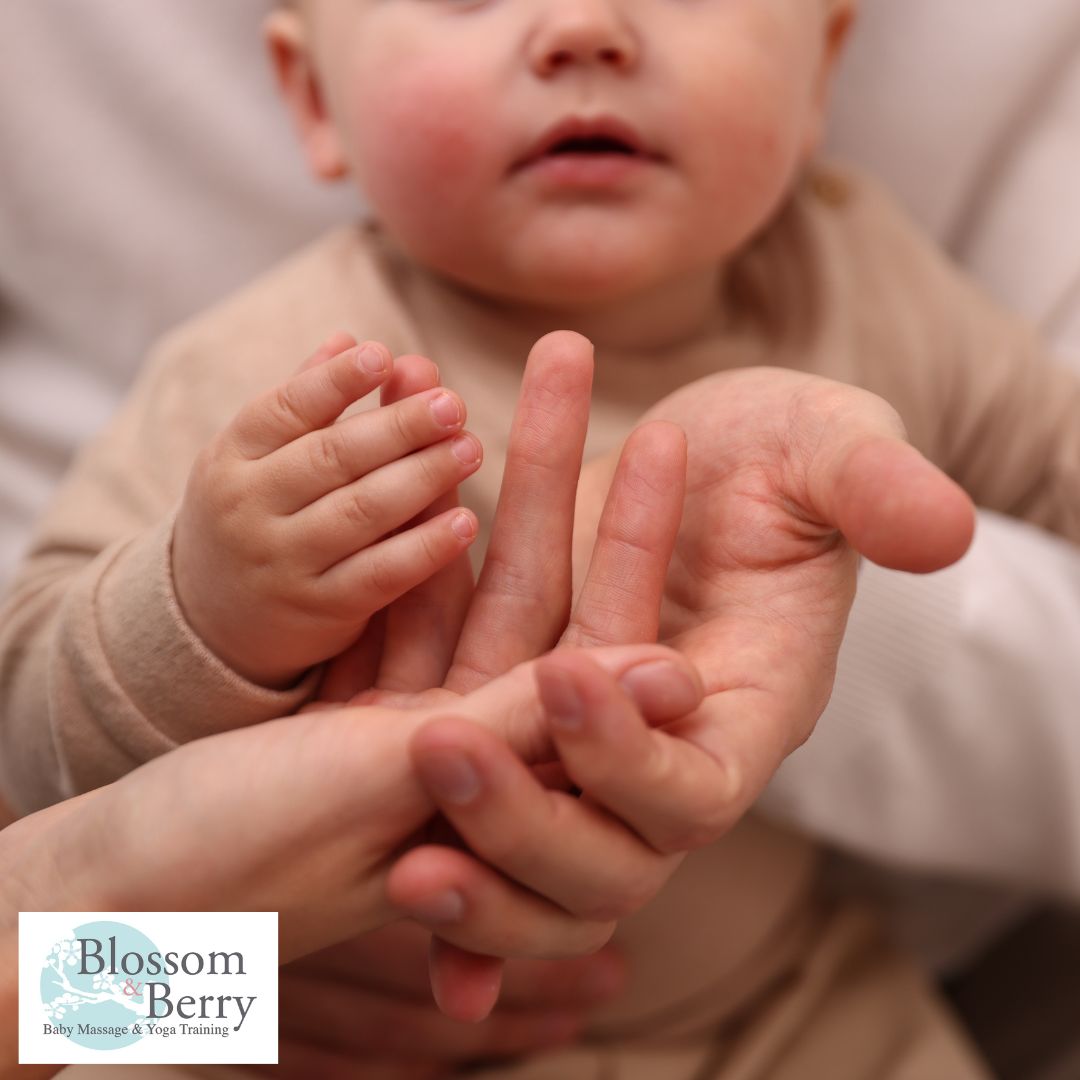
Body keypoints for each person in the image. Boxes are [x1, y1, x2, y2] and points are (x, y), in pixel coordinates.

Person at [3, 0, 1075, 1074]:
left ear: (822, 78)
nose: (582, 27)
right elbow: (33, 738)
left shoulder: (867, 285)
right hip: (295, 1027)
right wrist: (205, 609)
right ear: (315, 99)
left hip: (778, 1011)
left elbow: (1052, 458)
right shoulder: (286, 379)